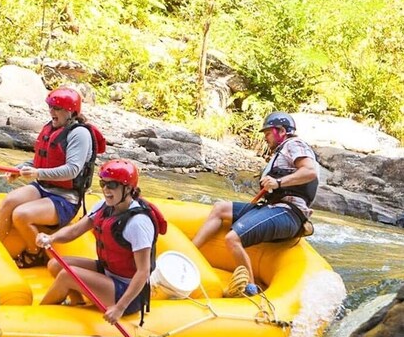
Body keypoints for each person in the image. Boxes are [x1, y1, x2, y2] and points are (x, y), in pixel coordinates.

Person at [192, 111, 319, 296]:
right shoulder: (281, 151)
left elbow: (310, 171)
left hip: (288, 212)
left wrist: (278, 183)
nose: (265, 137)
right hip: (272, 207)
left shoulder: (294, 144)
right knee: (220, 208)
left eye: (268, 133)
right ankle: (190, 253)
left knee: (232, 238)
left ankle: (250, 288)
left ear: (281, 131)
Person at [36, 159, 167, 325]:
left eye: (112, 185)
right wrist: (51, 238)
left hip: (127, 292)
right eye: (103, 183)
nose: (106, 189)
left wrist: (119, 307)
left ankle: (39, 316)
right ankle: (77, 303)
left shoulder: (138, 223)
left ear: (128, 189)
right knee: (56, 264)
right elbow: (75, 231)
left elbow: (143, 271)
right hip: (108, 272)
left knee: (67, 275)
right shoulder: (103, 206)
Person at [0, 87, 103, 268]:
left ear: (71, 112)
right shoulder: (52, 127)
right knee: (9, 201)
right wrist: (20, 169)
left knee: (21, 215)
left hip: (66, 198)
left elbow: (72, 170)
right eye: (51, 106)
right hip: (43, 187)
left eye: (57, 108)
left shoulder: (79, 134)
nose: (52, 111)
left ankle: (34, 253)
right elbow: (41, 160)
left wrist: (37, 173)